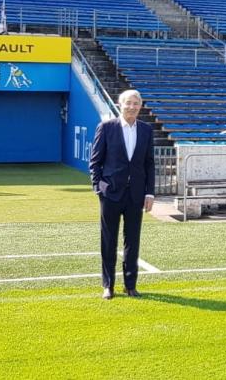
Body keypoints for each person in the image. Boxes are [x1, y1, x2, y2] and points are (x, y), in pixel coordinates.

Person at [89, 89, 155, 300]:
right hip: (110, 194)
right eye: (128, 103)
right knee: (108, 241)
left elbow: (149, 164)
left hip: (135, 195)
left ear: (140, 106)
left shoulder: (146, 130)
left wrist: (150, 193)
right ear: (119, 104)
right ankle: (108, 285)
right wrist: (99, 187)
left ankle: (130, 285)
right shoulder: (106, 127)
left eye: (136, 103)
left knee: (132, 241)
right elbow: (95, 162)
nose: (132, 107)